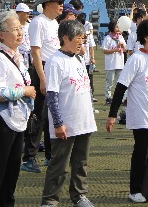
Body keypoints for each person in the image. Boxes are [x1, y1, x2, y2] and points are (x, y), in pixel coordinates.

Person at [105, 17, 148, 203]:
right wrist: (112, 115)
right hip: (142, 116)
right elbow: (120, 87)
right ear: (146, 37)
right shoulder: (136, 59)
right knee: (141, 152)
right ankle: (135, 189)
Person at [0, 10, 35, 207]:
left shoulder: (19, 57)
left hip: (18, 120)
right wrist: (24, 91)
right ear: (1, 34)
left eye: (20, 28)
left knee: (12, 173)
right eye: (14, 29)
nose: (20, 33)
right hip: (1, 120)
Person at [40, 20, 96, 207]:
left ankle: (79, 195)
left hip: (84, 121)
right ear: (65, 38)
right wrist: (58, 123)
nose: (82, 42)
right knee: (59, 165)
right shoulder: (55, 61)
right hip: (66, 123)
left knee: (81, 162)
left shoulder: (78, 59)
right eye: (78, 38)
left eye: (83, 38)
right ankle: (50, 200)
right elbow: (51, 95)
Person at [22, 0, 63, 173]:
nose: (61, 5)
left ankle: (49, 155)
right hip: (42, 71)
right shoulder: (38, 22)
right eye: (58, 2)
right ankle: (29, 157)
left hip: (54, 70)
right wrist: (43, 79)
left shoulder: (54, 23)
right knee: (38, 115)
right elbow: (36, 53)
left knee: (51, 115)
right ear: (47, 4)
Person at [103, 20, 127, 105]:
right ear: (112, 28)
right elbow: (105, 51)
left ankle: (121, 98)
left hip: (119, 63)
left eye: (118, 27)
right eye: (116, 27)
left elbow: (125, 50)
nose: (118, 29)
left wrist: (123, 46)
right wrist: (115, 50)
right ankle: (108, 97)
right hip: (111, 64)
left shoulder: (120, 37)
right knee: (110, 82)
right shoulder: (108, 38)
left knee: (120, 82)